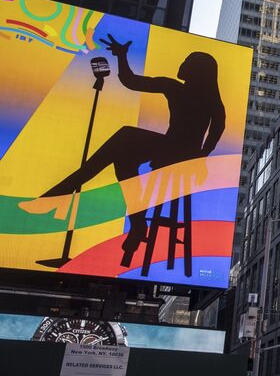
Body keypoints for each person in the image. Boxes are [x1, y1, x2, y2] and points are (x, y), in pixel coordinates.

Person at [19, 34, 226, 265]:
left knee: (125, 137)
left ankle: (61, 196)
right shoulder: (209, 100)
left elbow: (131, 81)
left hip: (173, 153)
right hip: (179, 155)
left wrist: (122, 56)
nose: (182, 64)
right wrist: (200, 158)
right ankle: (136, 223)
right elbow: (217, 129)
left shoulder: (176, 89)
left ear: (196, 70)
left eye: (187, 62)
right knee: (124, 159)